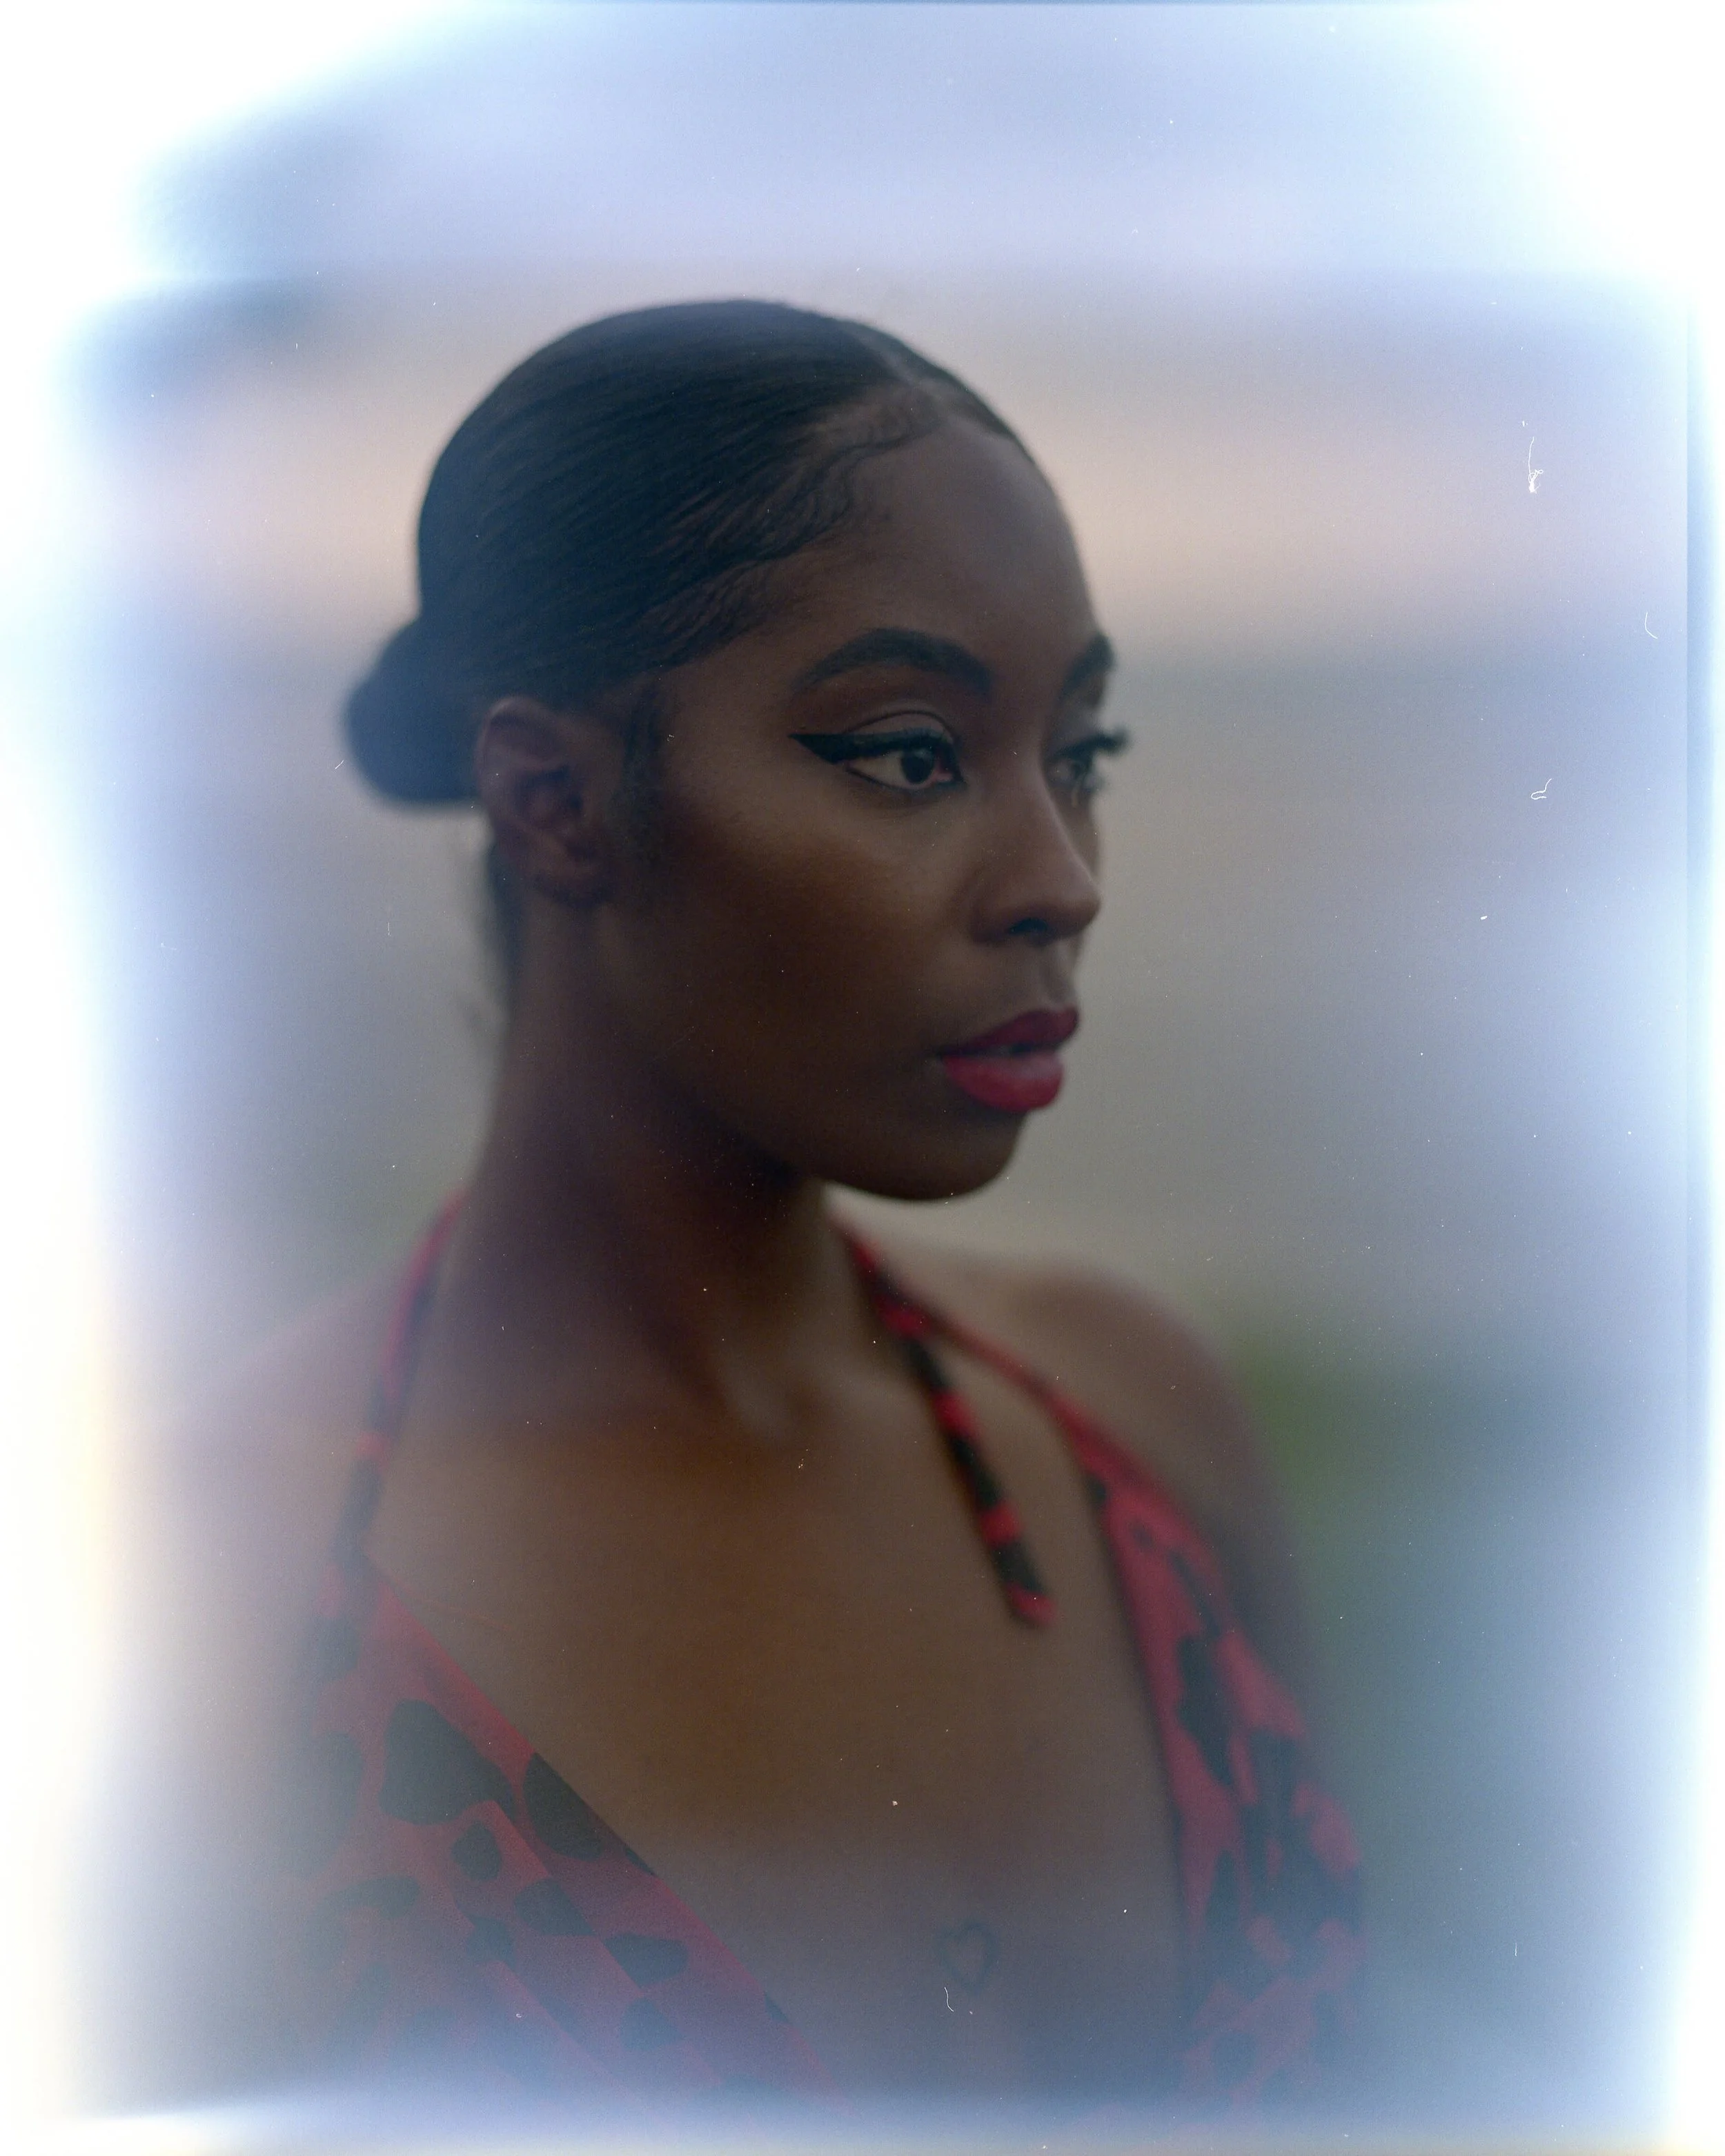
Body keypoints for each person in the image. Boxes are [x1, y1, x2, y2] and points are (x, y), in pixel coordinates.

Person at [111, 301, 1361, 2121]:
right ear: (553, 801)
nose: (1057, 880)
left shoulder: (1133, 1424)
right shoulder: (215, 1602)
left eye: (1075, 754)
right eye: (911, 753)